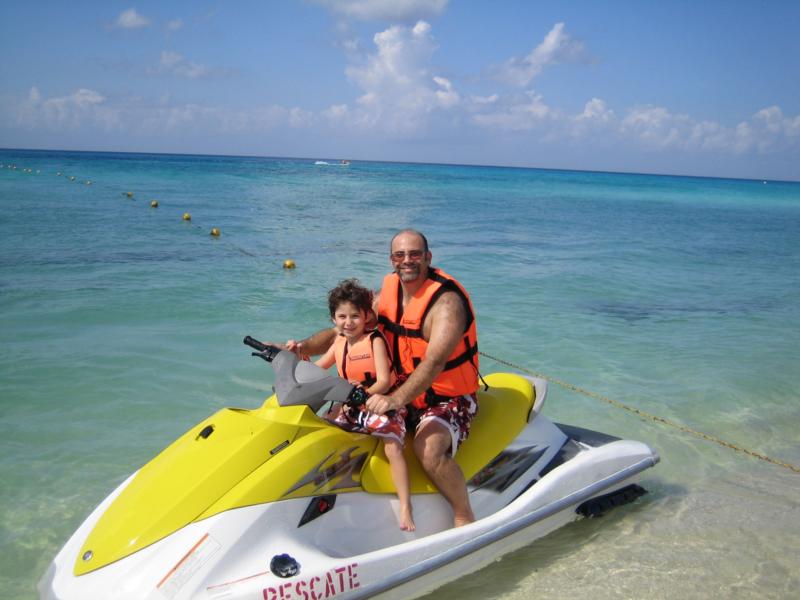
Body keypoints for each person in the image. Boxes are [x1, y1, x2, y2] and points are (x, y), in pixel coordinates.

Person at [286, 229, 480, 527]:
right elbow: (346, 330)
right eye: (399, 255)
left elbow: (435, 362)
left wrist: (393, 399)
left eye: (415, 254)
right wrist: (301, 348)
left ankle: (463, 513)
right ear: (391, 259)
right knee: (330, 421)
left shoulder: (447, 303)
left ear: (428, 257)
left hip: (446, 397)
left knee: (428, 450)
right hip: (401, 390)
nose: (407, 261)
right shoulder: (388, 291)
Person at [313, 278, 415, 531]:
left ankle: (405, 506)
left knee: (392, 446)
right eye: (342, 316)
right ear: (333, 319)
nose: (348, 322)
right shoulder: (338, 343)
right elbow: (317, 368)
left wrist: (366, 395)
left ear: (367, 316)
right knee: (319, 430)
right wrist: (292, 359)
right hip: (350, 406)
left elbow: (385, 380)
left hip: (379, 403)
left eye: (355, 316)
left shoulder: (374, 341)